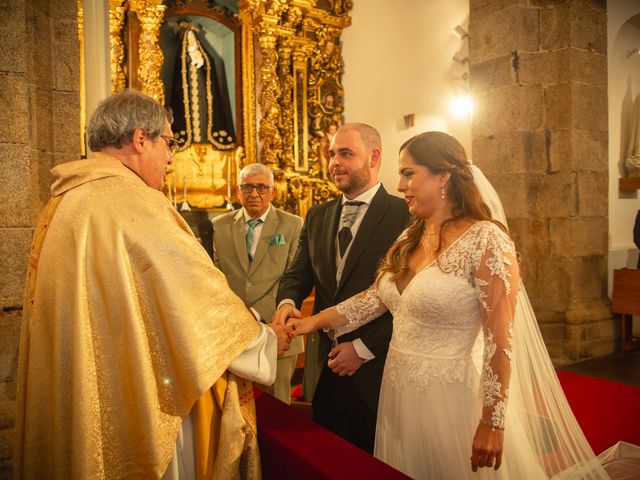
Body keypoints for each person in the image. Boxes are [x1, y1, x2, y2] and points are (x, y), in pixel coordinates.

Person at [288, 132, 608, 479]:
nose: (399, 185)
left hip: (452, 395)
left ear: (444, 176)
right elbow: (375, 299)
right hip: (399, 390)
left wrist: (492, 422)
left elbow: (501, 341)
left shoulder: (487, 240)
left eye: (409, 173)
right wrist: (311, 322)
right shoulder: (411, 235)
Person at [14, 90, 290, 480]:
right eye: (169, 142)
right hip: (136, 398)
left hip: (83, 389)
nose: (171, 157)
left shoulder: (65, 201)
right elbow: (197, 298)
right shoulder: (136, 203)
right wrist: (264, 341)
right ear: (141, 138)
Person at [274, 123, 410, 453]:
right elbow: (298, 274)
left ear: (374, 157)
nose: (334, 162)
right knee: (328, 461)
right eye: (332, 154)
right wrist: (286, 304)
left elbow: (408, 299)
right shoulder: (318, 214)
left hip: (376, 369)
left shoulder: (403, 214)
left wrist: (363, 348)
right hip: (324, 368)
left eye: (346, 154)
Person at [213, 162, 304, 404]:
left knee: (277, 407)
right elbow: (216, 276)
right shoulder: (219, 226)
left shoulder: (293, 225)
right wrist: (239, 315)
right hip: (235, 332)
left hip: (278, 328)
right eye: (248, 187)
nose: (255, 194)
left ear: (273, 192)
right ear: (237, 191)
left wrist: (254, 312)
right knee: (236, 404)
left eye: (262, 188)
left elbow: (292, 277)